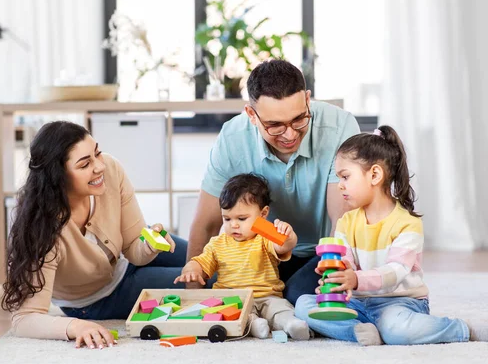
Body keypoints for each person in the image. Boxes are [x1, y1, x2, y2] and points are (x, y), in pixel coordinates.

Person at [294, 125, 488, 345]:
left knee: (396, 330)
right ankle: (358, 330)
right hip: (356, 303)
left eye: (345, 177)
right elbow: (346, 259)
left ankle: (461, 329)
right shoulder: (346, 221)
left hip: (398, 303)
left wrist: (356, 279)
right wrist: (337, 276)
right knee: (303, 304)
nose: (340, 186)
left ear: (375, 174)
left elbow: (395, 272)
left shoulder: (407, 223)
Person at [1, 121, 187, 349]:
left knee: (209, 257)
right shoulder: (41, 227)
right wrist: (76, 326)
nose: (99, 166)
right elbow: (24, 319)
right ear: (58, 177)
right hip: (97, 298)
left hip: (125, 262)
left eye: (96, 153)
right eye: (85, 164)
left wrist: (151, 245)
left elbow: (132, 249)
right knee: (211, 281)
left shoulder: (110, 169)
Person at [188, 59, 361, 305]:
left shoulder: (340, 126)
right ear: (251, 115)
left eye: (299, 119)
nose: (290, 134)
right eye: (275, 126)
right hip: (255, 252)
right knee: (187, 265)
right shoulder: (232, 137)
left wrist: (332, 284)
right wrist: (194, 295)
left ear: (307, 100)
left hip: (320, 253)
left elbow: (342, 220)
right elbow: (205, 224)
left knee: (296, 296)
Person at [175, 174, 311, 340]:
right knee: (233, 313)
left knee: (280, 309)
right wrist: (191, 270)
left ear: (263, 214)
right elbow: (199, 262)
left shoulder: (264, 238)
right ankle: (253, 324)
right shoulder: (217, 243)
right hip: (234, 299)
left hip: (268, 296)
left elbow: (284, 246)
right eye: (227, 218)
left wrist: (287, 235)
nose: (234, 225)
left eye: (241, 218)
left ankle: (291, 324)